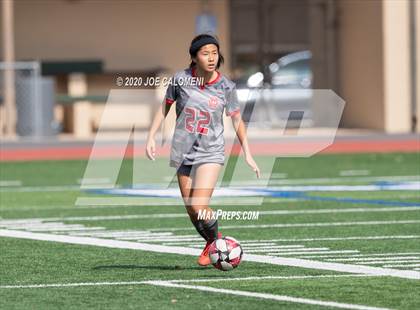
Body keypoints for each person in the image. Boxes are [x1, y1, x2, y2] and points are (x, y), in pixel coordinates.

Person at [146, 34, 260, 266]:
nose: (211, 58)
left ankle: (217, 243)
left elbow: (237, 120)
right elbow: (164, 109)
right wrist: (150, 136)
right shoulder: (180, 80)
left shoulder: (226, 86)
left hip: (210, 152)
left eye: (214, 53)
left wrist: (247, 152)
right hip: (182, 151)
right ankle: (213, 242)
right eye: (205, 53)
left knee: (199, 205)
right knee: (191, 210)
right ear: (194, 57)